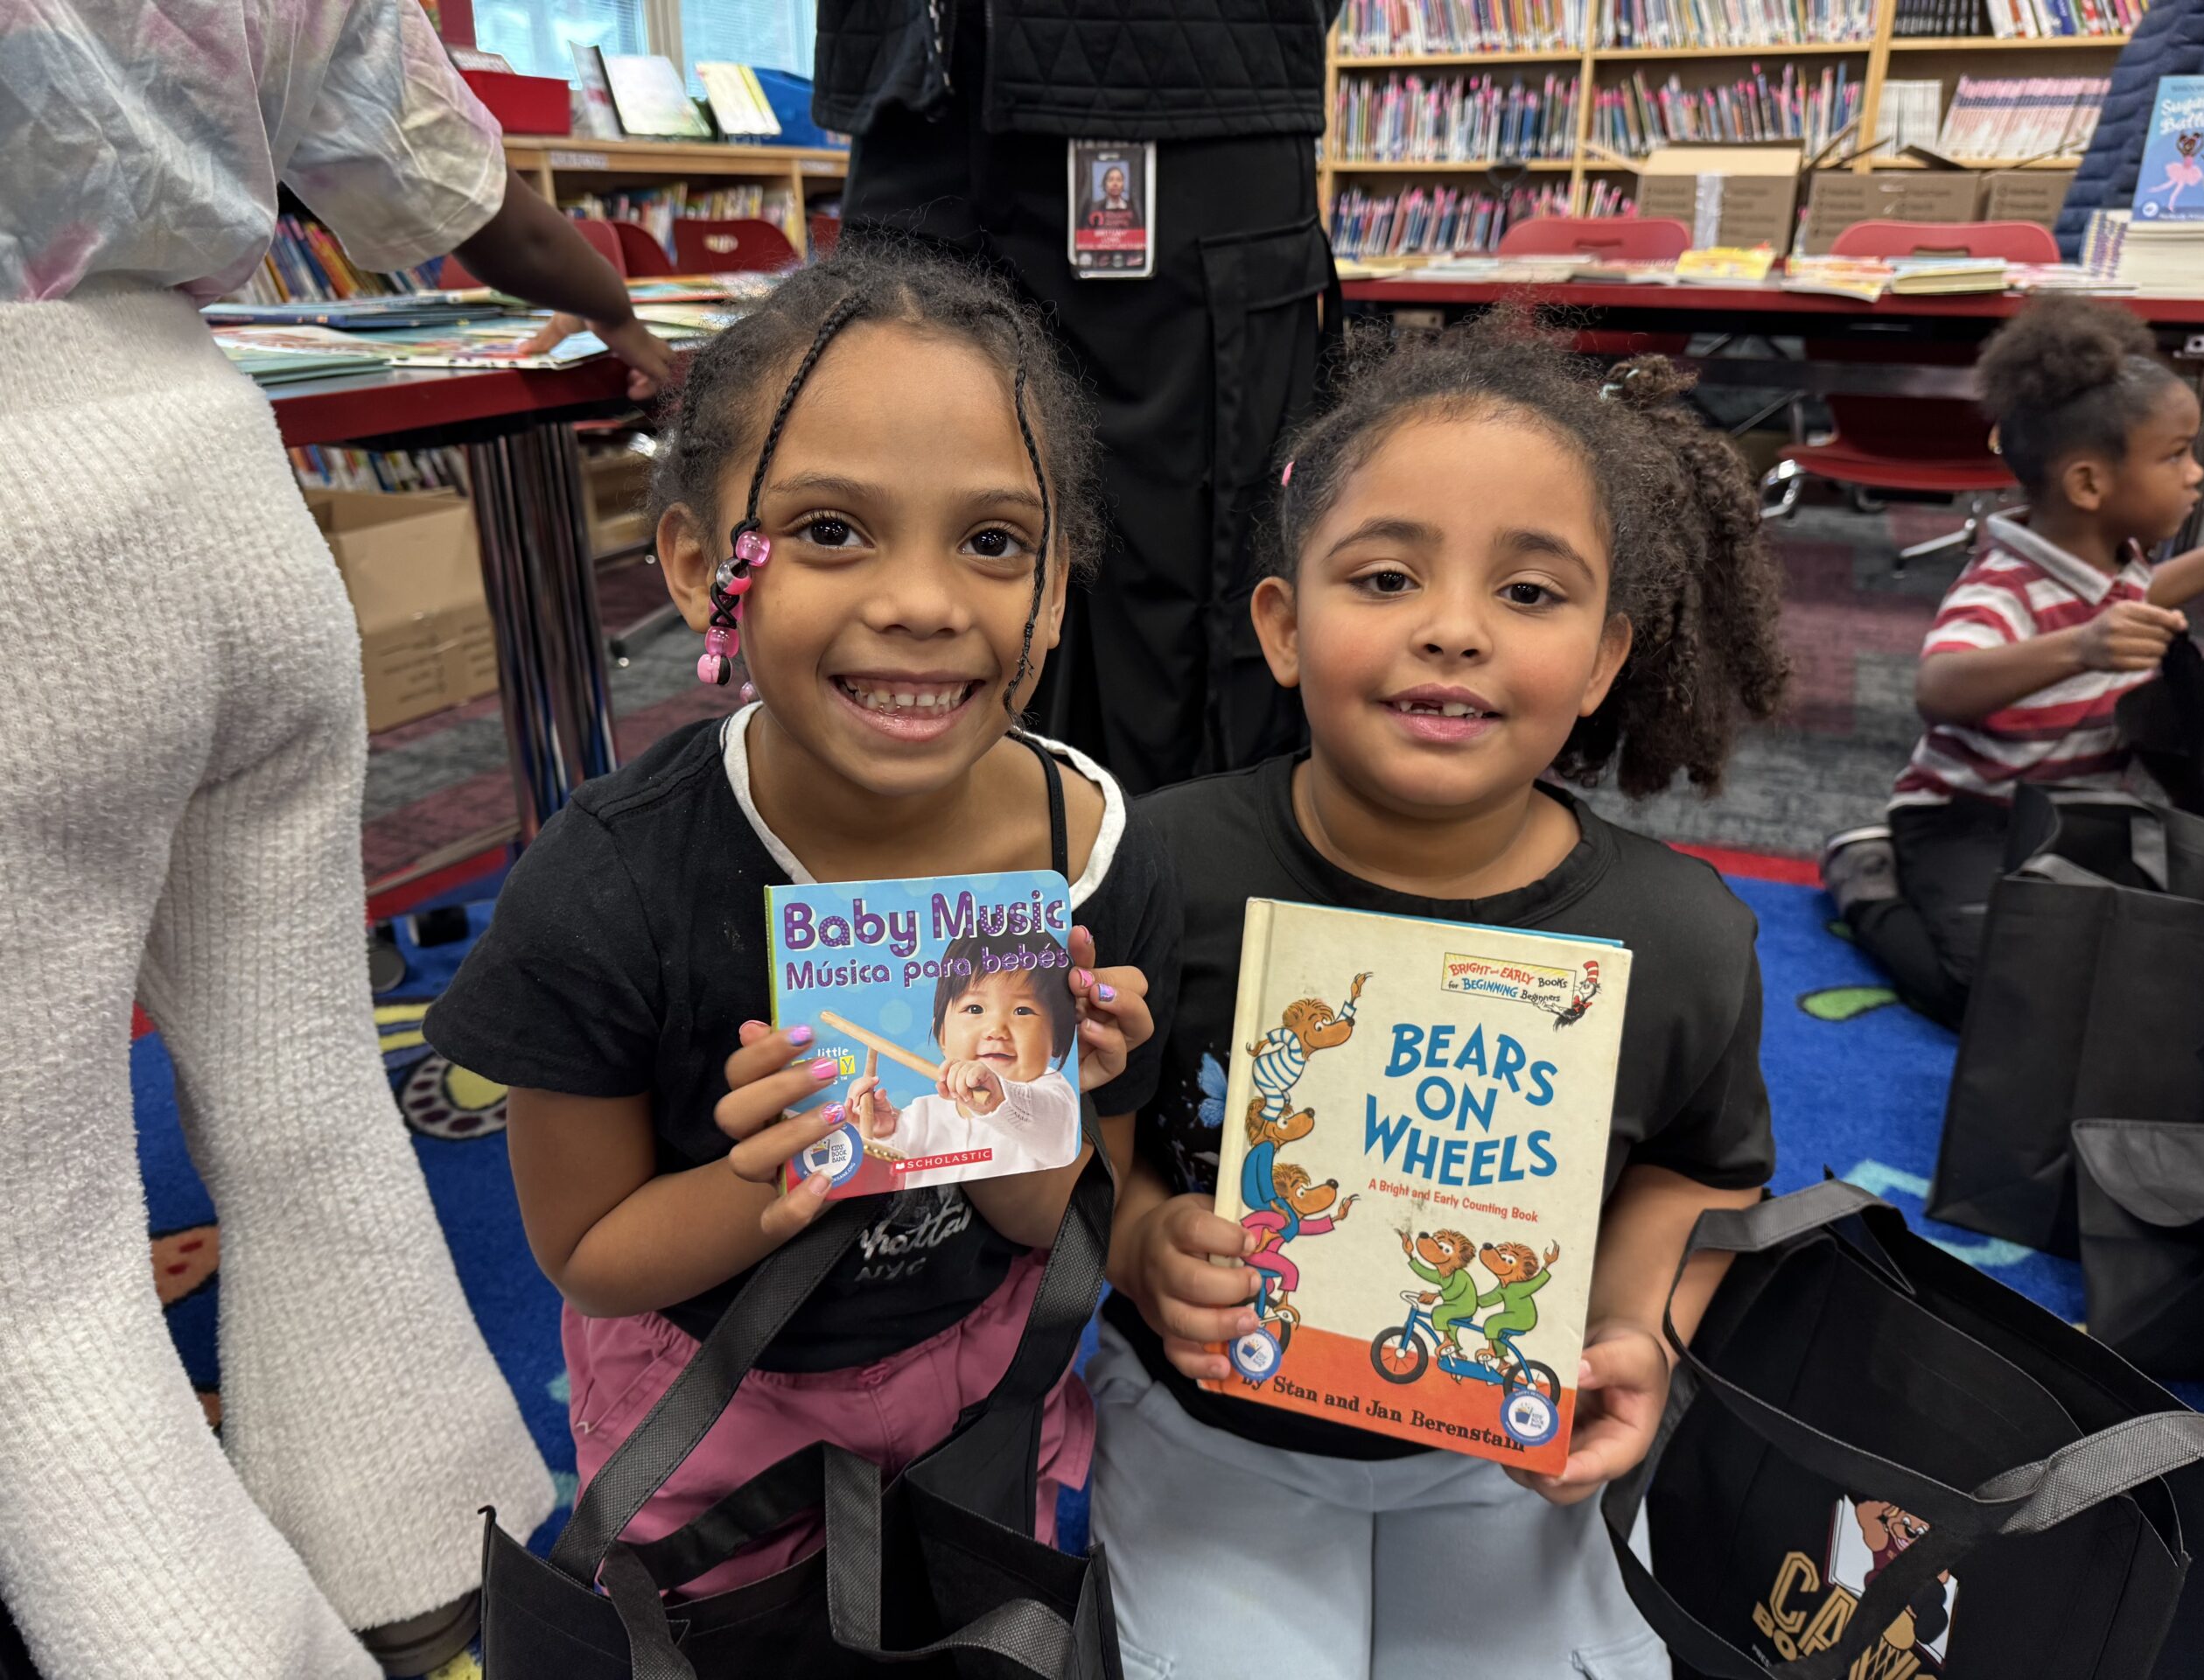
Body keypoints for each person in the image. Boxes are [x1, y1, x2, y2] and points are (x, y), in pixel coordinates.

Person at [0, 1, 675, 1674]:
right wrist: (617, 310)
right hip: (217, 478)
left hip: (24, 532)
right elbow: (448, 184)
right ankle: (436, 1567)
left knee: (35, 1266)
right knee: (307, 1103)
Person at [423, 243, 1179, 1598]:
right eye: (830, 530)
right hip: (715, 1397)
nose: (921, 604)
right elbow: (586, 1255)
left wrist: (1043, 1111)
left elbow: (1044, 1220)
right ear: (703, 569)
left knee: (974, 1614)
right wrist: (763, 1185)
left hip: (977, 1374)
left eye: (994, 542)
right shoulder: (609, 889)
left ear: (1056, 591)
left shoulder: (1092, 854)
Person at [1097, 316, 1788, 1677]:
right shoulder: (1163, 867)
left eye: (1529, 593)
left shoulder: (1682, 934)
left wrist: (1633, 1335)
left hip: (1506, 1449)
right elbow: (1097, 1147)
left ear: (1603, 661)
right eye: (1386, 576)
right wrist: (1141, 1243)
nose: (1454, 630)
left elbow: (1699, 1173)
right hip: (1212, 1424)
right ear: (1284, 628)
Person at [818, 0, 1342, 791]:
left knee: (1191, 610)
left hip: (1196, 84)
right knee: (885, 536)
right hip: (908, 86)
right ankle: (912, 857)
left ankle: (1172, 863)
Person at [1823, 297, 2204, 1027]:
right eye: (2175, 455)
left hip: (2078, 811)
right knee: (1984, 991)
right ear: (2088, 485)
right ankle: (1866, 881)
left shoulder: (2118, 561)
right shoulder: (2000, 589)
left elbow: (2143, 594)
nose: (2196, 476)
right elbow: (1939, 688)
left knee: (2166, 949)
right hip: (1963, 819)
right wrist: (2081, 647)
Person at [846, 929, 1083, 1183]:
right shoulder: (922, 1115)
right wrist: (885, 1134)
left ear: (1057, 1036)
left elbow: (1053, 1132)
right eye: (975, 1008)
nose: (996, 1030)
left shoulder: (1052, 1098)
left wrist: (999, 1098)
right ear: (942, 1035)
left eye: (1022, 1011)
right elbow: (893, 1179)